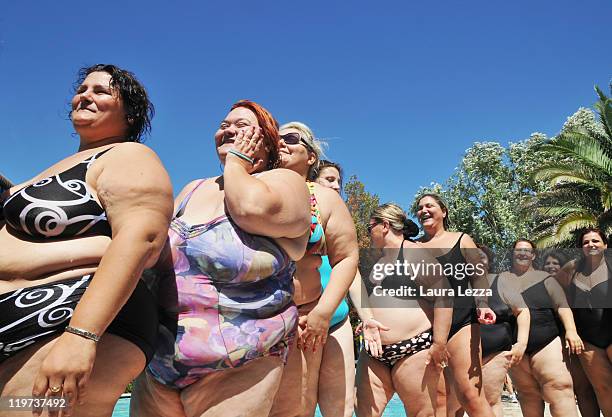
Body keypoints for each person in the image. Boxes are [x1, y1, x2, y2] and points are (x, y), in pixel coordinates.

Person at [0, 64, 173, 416]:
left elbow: (142, 238)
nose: (86, 95)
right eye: (82, 88)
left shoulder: (128, 155)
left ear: (129, 111)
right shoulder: (49, 170)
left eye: (102, 90)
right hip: (17, 319)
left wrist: (82, 336)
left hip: (74, 315)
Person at [130, 100, 311, 417]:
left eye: (242, 125)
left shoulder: (285, 182)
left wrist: (238, 164)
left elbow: (250, 209)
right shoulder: (192, 188)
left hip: (242, 364)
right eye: (224, 124)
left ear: (267, 143)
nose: (229, 129)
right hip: (160, 365)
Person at [269, 122, 359, 417]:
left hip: (310, 319)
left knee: (303, 408)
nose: (281, 142)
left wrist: (322, 313)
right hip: (258, 319)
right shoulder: (253, 188)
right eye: (275, 138)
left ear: (310, 157)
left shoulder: (325, 199)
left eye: (291, 138)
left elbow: (347, 258)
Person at [354, 203, 452, 417]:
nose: (369, 234)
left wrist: (439, 343)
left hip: (413, 349)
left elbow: (444, 295)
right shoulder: (380, 260)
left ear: (385, 225)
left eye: (370, 228)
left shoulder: (413, 252)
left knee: (422, 414)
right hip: (373, 352)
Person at [413, 193, 497, 417]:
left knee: (469, 394)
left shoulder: (461, 239)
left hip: (462, 321)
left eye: (429, 206)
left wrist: (483, 304)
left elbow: (478, 275)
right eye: (419, 208)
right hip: (426, 326)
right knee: (441, 400)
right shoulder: (412, 246)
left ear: (444, 212)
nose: (423, 210)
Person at [501, 239, 582, 417]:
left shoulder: (545, 279)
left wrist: (571, 331)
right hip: (514, 344)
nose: (522, 253)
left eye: (527, 250)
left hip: (547, 339)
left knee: (559, 388)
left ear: (533, 255)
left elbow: (562, 305)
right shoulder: (503, 279)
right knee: (527, 393)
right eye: (518, 250)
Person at [451, 245, 530, 417]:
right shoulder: (456, 285)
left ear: (489, 261)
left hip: (495, 351)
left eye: (481, 257)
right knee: (454, 404)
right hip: (460, 353)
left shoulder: (500, 281)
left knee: (489, 400)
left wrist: (521, 343)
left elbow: (522, 311)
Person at [309, 159, 356, 417]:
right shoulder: (294, 223)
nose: (337, 186)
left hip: (338, 322)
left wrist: (368, 319)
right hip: (302, 322)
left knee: (342, 407)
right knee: (297, 405)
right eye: (329, 180)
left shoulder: (340, 231)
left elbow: (354, 277)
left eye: (339, 181)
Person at [544, 249, 601, 417]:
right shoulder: (540, 287)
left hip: (582, 337)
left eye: (556, 263)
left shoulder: (575, 285)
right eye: (547, 263)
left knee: (590, 387)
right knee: (579, 388)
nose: (551, 266)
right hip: (558, 340)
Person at [561, 228, 611, 416]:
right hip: (587, 340)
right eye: (585, 242)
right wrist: (569, 329)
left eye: (595, 241)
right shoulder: (572, 268)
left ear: (605, 245)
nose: (591, 245)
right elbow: (555, 293)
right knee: (603, 389)